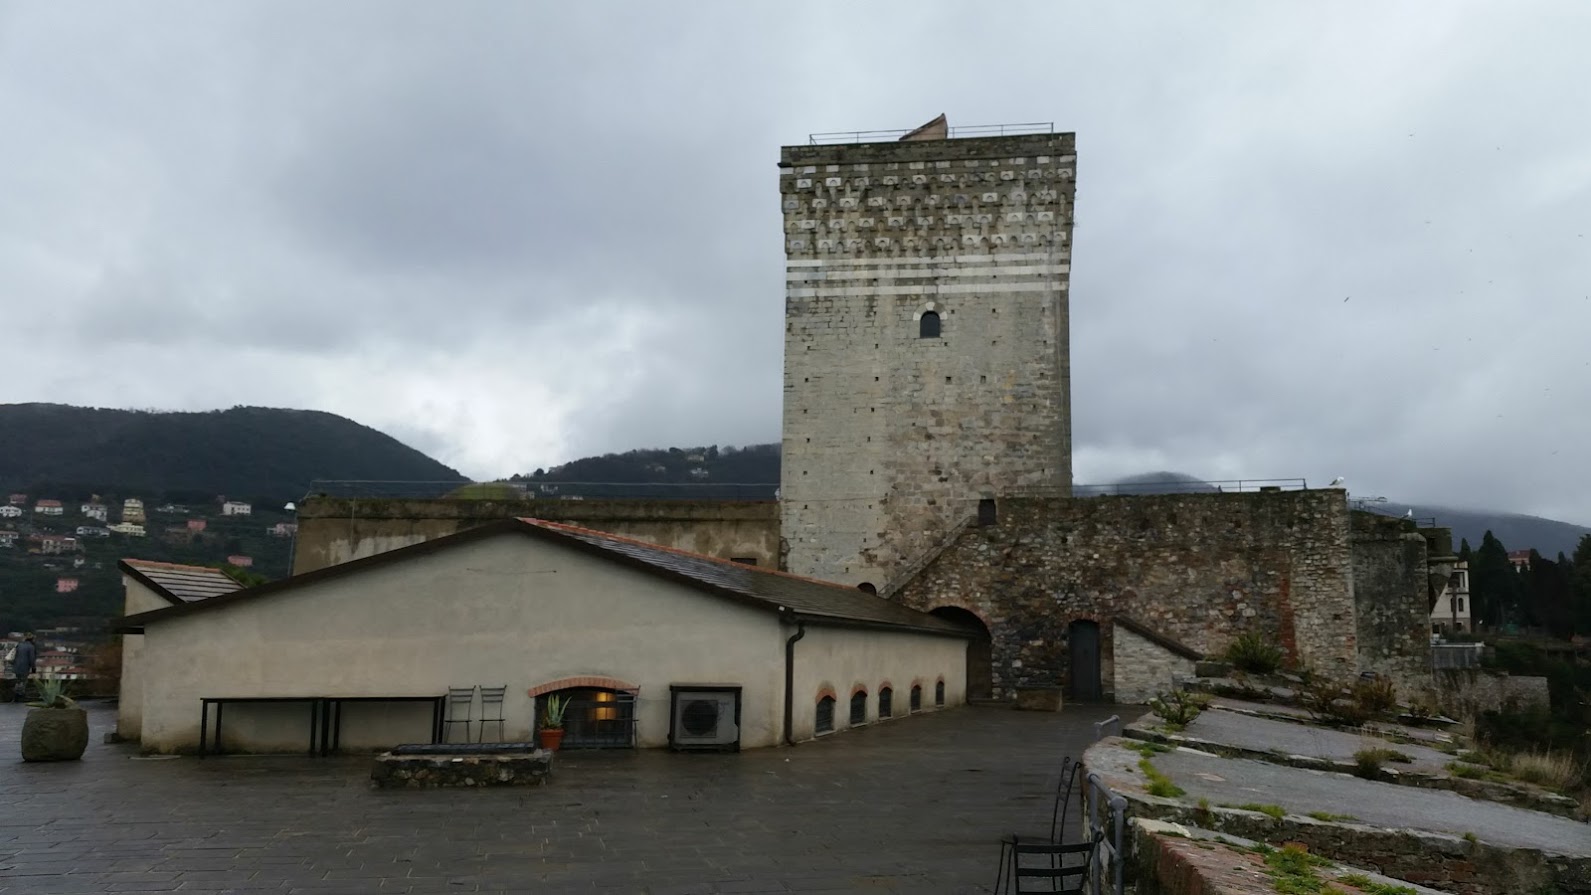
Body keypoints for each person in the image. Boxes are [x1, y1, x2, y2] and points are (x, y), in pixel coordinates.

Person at [8, 633, 37, 702]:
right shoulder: (31, 647)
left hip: (16, 666)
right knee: (23, 681)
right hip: (24, 667)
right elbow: (31, 659)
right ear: (32, 639)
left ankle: (16, 695)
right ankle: (19, 695)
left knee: (18, 680)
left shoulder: (19, 645)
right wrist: (33, 668)